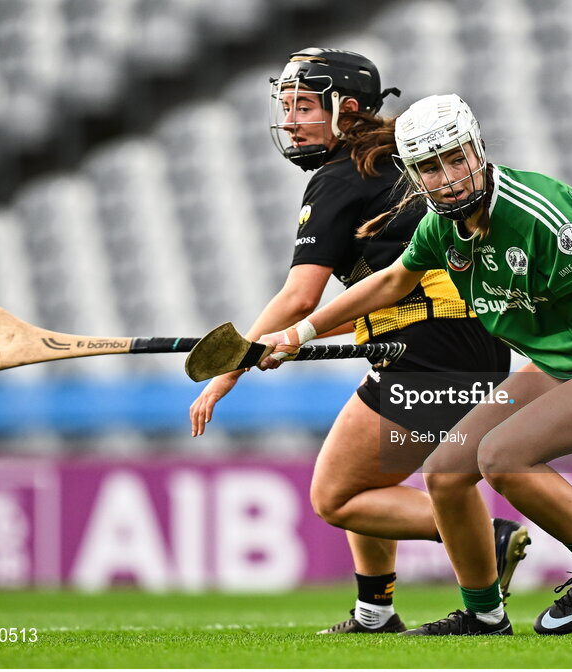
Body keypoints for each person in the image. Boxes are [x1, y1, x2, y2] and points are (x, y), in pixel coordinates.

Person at [257, 94, 572, 636]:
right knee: (445, 472)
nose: (447, 177)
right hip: (557, 361)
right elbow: (393, 281)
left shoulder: (537, 208)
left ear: (477, 148)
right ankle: (484, 616)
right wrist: (300, 332)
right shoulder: (442, 225)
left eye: (455, 158)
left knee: (502, 457)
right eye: (428, 167)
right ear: (414, 175)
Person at [188, 52, 528, 634]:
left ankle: (487, 540)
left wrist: (229, 371)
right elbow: (395, 296)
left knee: (336, 496)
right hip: (466, 341)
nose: (289, 121)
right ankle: (375, 613)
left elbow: (300, 296)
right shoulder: (399, 162)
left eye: (301, 107)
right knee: (366, 481)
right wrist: (291, 343)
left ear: (346, 110)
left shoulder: (342, 176)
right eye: (286, 107)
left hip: (428, 352)